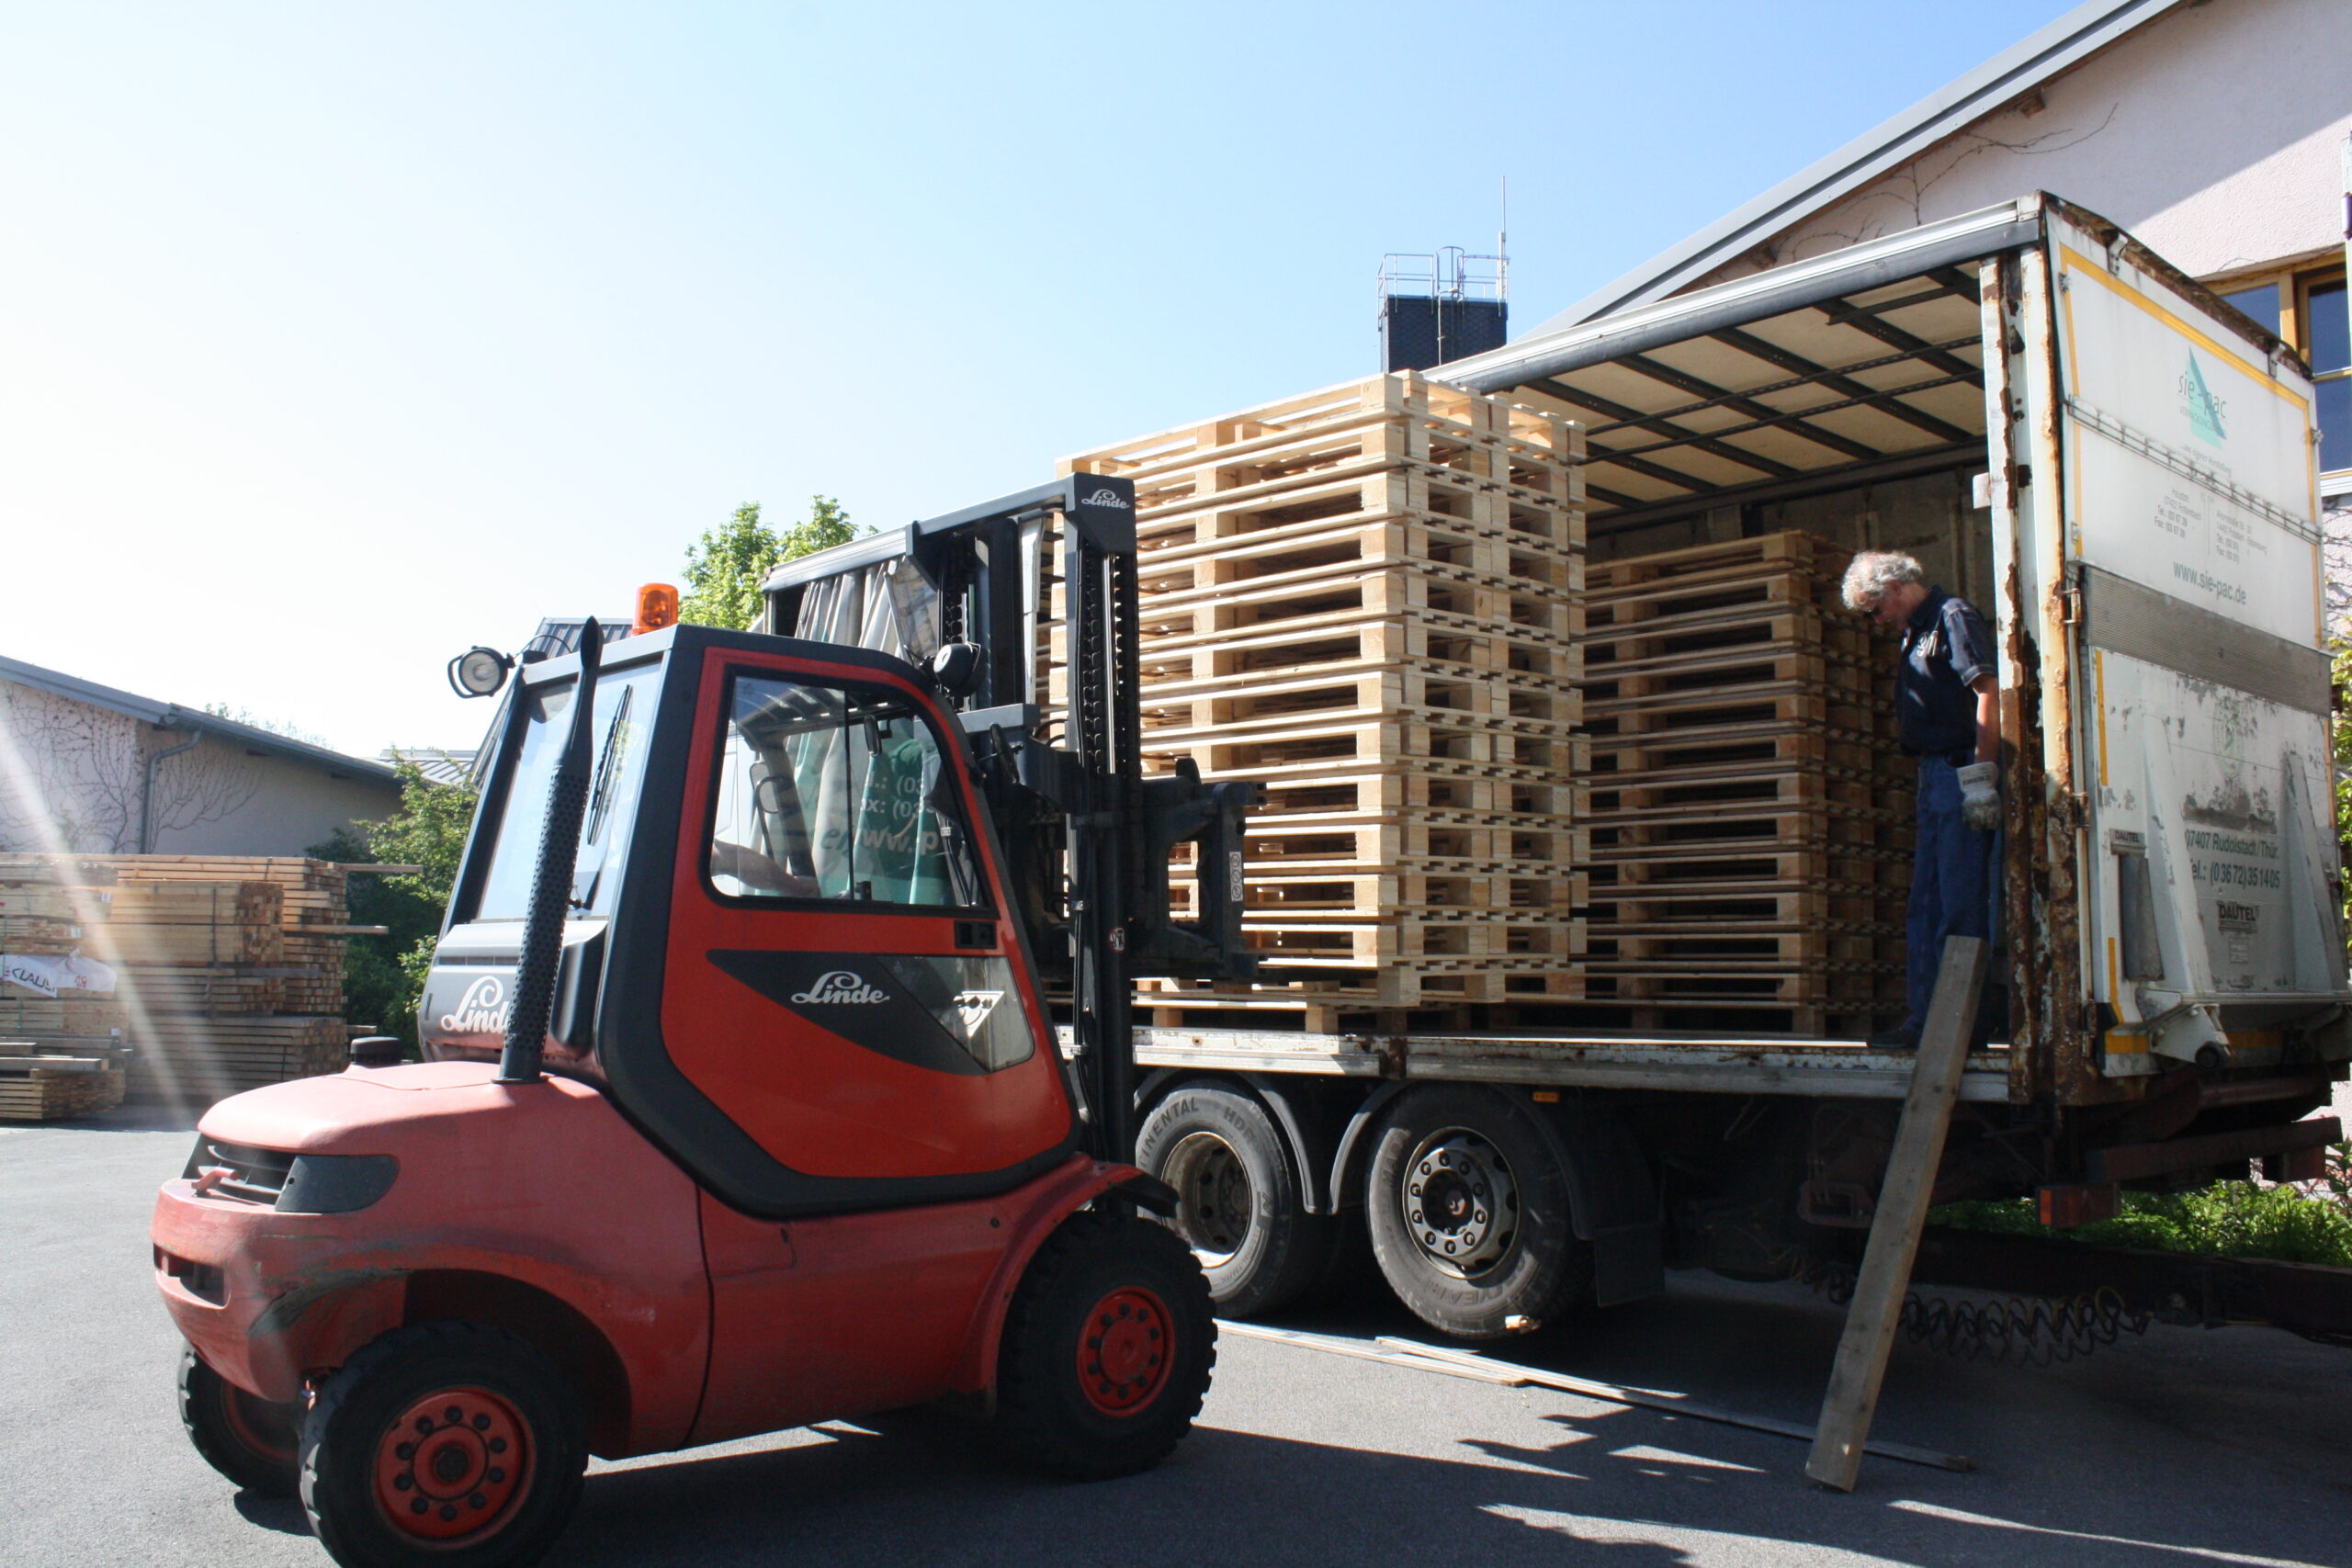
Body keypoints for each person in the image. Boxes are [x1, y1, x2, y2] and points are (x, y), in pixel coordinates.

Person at [1839, 551, 1999, 1049]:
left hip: (1958, 770)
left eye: (1875, 609)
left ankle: (1959, 1025)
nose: (1877, 621)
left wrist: (1981, 777)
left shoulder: (1952, 616)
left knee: (1959, 902)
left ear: (1893, 589)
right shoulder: (1914, 631)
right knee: (1925, 902)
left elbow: (1990, 691)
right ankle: (1924, 1020)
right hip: (1933, 774)